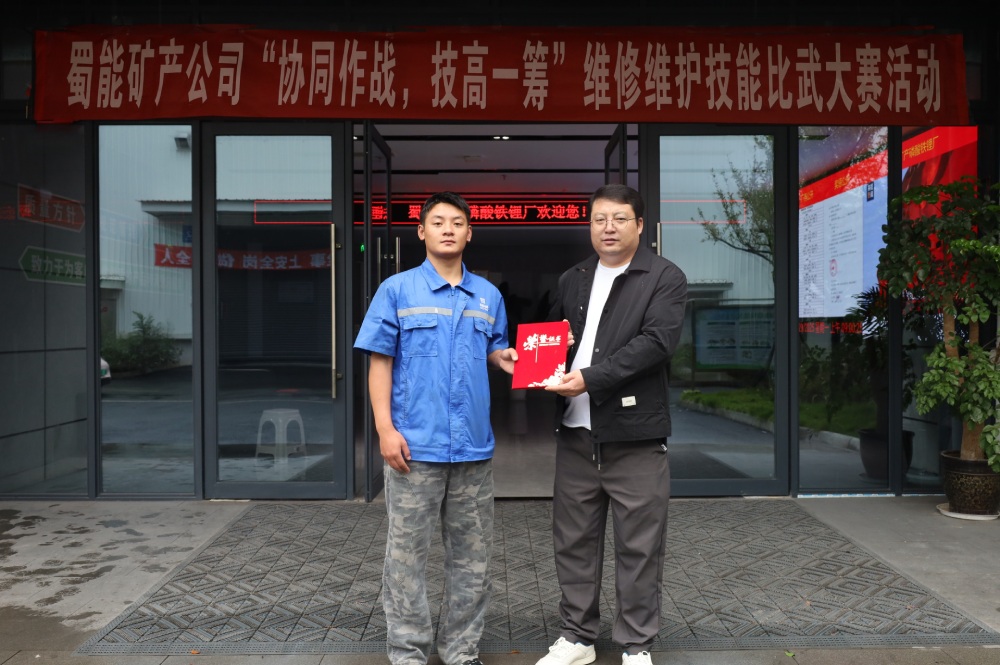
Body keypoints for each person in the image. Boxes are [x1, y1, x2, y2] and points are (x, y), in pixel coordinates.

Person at [354, 191, 518, 665]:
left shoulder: (488, 296)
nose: (449, 229)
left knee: (473, 560)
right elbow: (380, 363)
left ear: (470, 233)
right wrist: (385, 429)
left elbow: (495, 349)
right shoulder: (397, 290)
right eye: (439, 222)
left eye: (458, 222)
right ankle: (408, 653)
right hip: (414, 449)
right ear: (421, 231)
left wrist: (505, 357)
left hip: (472, 451)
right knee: (406, 559)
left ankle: (461, 651)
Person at [537, 184, 688, 665]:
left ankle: (637, 644)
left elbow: (656, 343)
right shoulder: (573, 278)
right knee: (573, 542)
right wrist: (535, 358)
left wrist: (590, 378)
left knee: (639, 546)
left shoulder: (664, 277)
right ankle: (578, 637)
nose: (608, 228)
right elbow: (555, 337)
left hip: (635, 435)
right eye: (600, 219)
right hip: (576, 436)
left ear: (639, 225)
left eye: (620, 219)